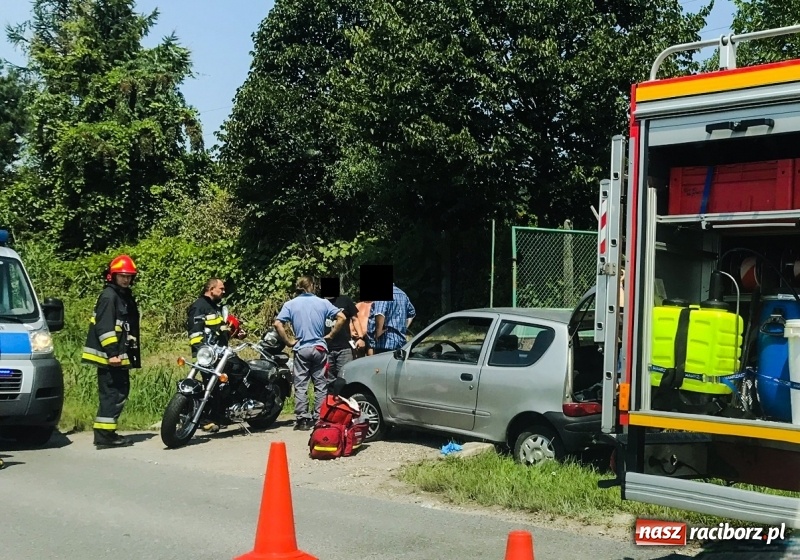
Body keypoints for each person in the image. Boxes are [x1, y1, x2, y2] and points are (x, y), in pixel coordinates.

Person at [81, 255, 141, 449]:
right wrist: (112, 353)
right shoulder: (109, 296)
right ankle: (105, 436)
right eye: (122, 276)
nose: (126, 279)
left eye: (129, 276)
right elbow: (105, 327)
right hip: (111, 357)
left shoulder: (122, 296)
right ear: (112, 276)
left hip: (117, 355)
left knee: (118, 392)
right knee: (112, 394)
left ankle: (105, 433)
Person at [274, 276, 347, 431]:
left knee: (301, 384)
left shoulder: (290, 304)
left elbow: (278, 323)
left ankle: (302, 419)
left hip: (301, 348)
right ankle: (319, 417)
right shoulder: (323, 302)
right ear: (312, 286)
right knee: (320, 384)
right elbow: (342, 317)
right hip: (319, 348)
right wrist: (331, 335)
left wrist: (288, 341)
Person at [186, 277, 245, 432]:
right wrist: (202, 351)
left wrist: (235, 333)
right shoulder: (199, 306)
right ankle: (206, 418)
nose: (224, 291)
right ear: (211, 289)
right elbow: (195, 333)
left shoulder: (215, 307)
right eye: (221, 289)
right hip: (208, 355)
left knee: (237, 372)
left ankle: (222, 414)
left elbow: (218, 331)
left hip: (220, 354)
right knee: (211, 386)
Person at [324, 292, 365, 378]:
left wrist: (361, 338)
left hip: (344, 347)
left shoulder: (345, 300)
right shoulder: (319, 301)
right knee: (327, 378)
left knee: (346, 377)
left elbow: (355, 319)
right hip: (325, 348)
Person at [366, 284, 416, 354]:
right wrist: (404, 327)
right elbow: (411, 313)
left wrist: (378, 331)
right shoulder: (402, 294)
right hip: (401, 342)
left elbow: (379, 313)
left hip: (385, 343)